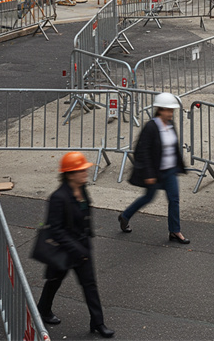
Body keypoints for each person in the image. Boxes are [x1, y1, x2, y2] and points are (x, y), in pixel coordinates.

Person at [37, 152, 114, 338]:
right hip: (64, 250)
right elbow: (56, 230)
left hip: (81, 247)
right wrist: (76, 248)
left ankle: (98, 322)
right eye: (82, 170)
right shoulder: (58, 197)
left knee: (90, 285)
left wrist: (86, 239)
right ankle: (43, 310)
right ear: (70, 174)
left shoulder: (82, 188)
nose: (86, 172)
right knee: (54, 281)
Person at [118, 92, 190, 244]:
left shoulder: (170, 124)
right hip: (156, 172)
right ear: (160, 110)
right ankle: (125, 216)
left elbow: (173, 147)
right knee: (148, 197)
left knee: (174, 199)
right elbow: (141, 151)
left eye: (172, 110)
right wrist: (149, 174)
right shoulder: (151, 127)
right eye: (168, 110)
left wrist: (179, 166)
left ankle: (175, 231)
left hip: (169, 170)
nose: (171, 113)